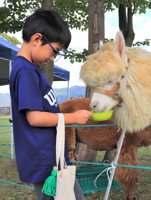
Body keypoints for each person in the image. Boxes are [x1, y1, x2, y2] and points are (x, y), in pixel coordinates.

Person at [9, 9, 92, 200]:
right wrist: (73, 117)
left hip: (51, 157)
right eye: (54, 51)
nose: (52, 58)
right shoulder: (26, 71)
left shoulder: (31, 70)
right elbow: (35, 117)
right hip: (44, 160)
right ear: (37, 39)